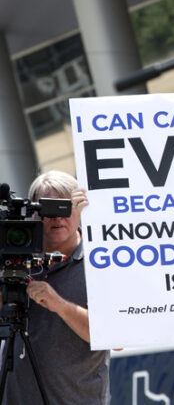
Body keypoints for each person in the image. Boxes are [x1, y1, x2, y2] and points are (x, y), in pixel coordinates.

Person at [2, 171, 109, 405]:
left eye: (64, 208)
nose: (57, 219)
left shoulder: (102, 262)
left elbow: (115, 338)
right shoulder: (14, 257)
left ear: (80, 209)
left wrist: (58, 305)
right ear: (33, 214)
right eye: (48, 210)